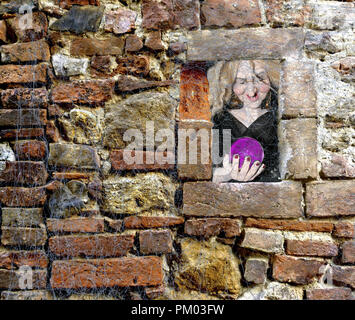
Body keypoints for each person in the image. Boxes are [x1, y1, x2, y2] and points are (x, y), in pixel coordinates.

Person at [211, 60, 280, 183]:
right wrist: (227, 174)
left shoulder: (279, 119)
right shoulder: (220, 121)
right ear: (230, 84)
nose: (252, 91)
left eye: (260, 79)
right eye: (241, 82)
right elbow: (209, 173)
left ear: (271, 78)